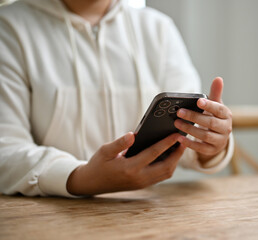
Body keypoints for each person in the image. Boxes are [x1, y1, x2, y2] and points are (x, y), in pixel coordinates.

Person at [0, 0, 234, 197]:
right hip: (49, 219)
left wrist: (209, 144)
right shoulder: (8, 27)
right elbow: (5, 149)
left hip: (147, 216)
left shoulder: (158, 29)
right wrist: (77, 178)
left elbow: (186, 137)